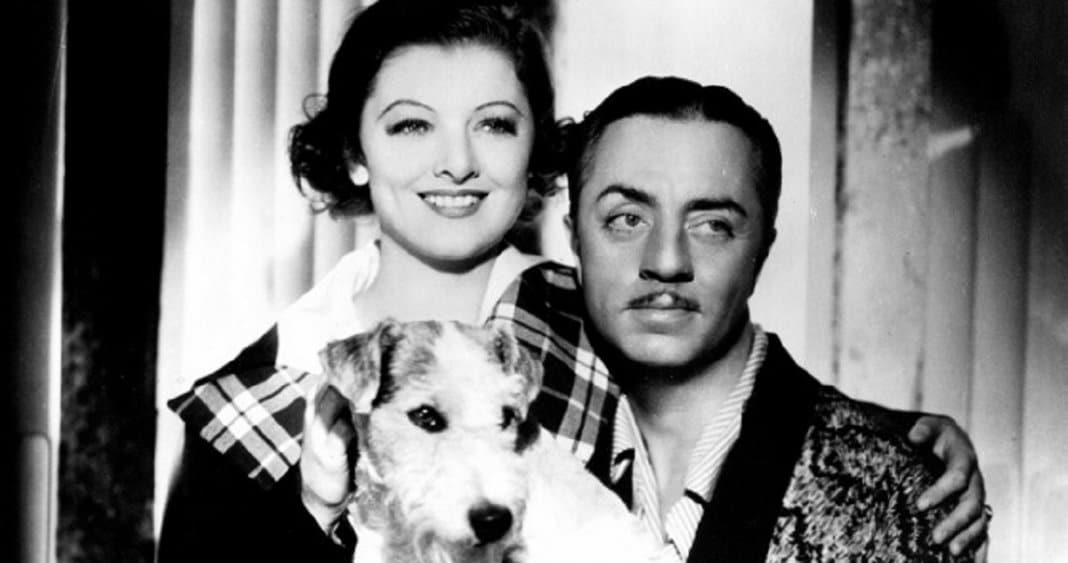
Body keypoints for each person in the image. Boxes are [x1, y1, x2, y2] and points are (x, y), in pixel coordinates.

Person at [158, 1, 986, 561]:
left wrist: (897, 436)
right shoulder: (247, 412)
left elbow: (736, 396)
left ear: (534, 156)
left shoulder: (586, 314)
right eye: (411, 125)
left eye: (495, 124)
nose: (457, 161)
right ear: (352, 153)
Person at [543, 75, 986, 560]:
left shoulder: (899, 494)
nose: (666, 261)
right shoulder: (525, 456)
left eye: (713, 225)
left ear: (762, 251)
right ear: (575, 237)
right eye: (627, 219)